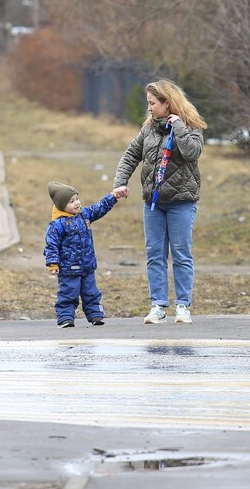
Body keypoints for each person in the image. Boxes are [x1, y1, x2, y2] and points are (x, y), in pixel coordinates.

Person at [112, 79, 207, 325]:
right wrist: (120, 183)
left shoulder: (191, 125)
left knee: (181, 254)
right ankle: (158, 306)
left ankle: (183, 306)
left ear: (168, 103)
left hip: (182, 201)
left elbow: (192, 153)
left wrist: (179, 128)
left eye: (153, 103)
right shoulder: (149, 129)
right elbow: (131, 155)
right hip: (153, 202)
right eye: (149, 103)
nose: (150, 108)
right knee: (154, 254)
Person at [44, 181, 122, 328]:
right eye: (71, 202)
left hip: (87, 266)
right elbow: (51, 245)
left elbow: (99, 208)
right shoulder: (57, 225)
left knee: (91, 293)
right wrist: (52, 263)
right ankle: (65, 318)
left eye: (77, 199)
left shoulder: (84, 215)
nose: (76, 203)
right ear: (61, 206)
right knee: (68, 294)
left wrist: (113, 196)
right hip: (68, 269)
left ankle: (95, 315)